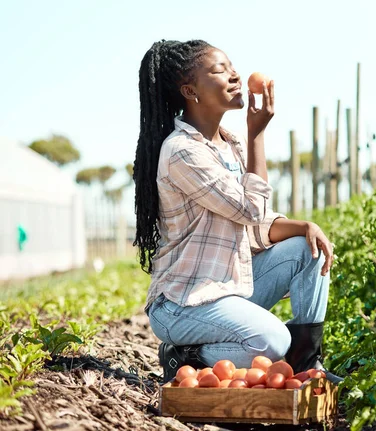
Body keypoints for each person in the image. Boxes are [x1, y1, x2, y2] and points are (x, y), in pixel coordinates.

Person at [132, 39, 341, 384]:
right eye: (219, 70)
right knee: (273, 342)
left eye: (232, 68)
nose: (235, 76)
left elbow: (257, 224)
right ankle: (185, 356)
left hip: (226, 287)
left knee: (309, 248)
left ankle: (306, 362)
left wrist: (306, 226)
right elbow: (248, 207)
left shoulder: (230, 145)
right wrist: (257, 135)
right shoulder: (182, 152)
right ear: (190, 90)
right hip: (185, 303)